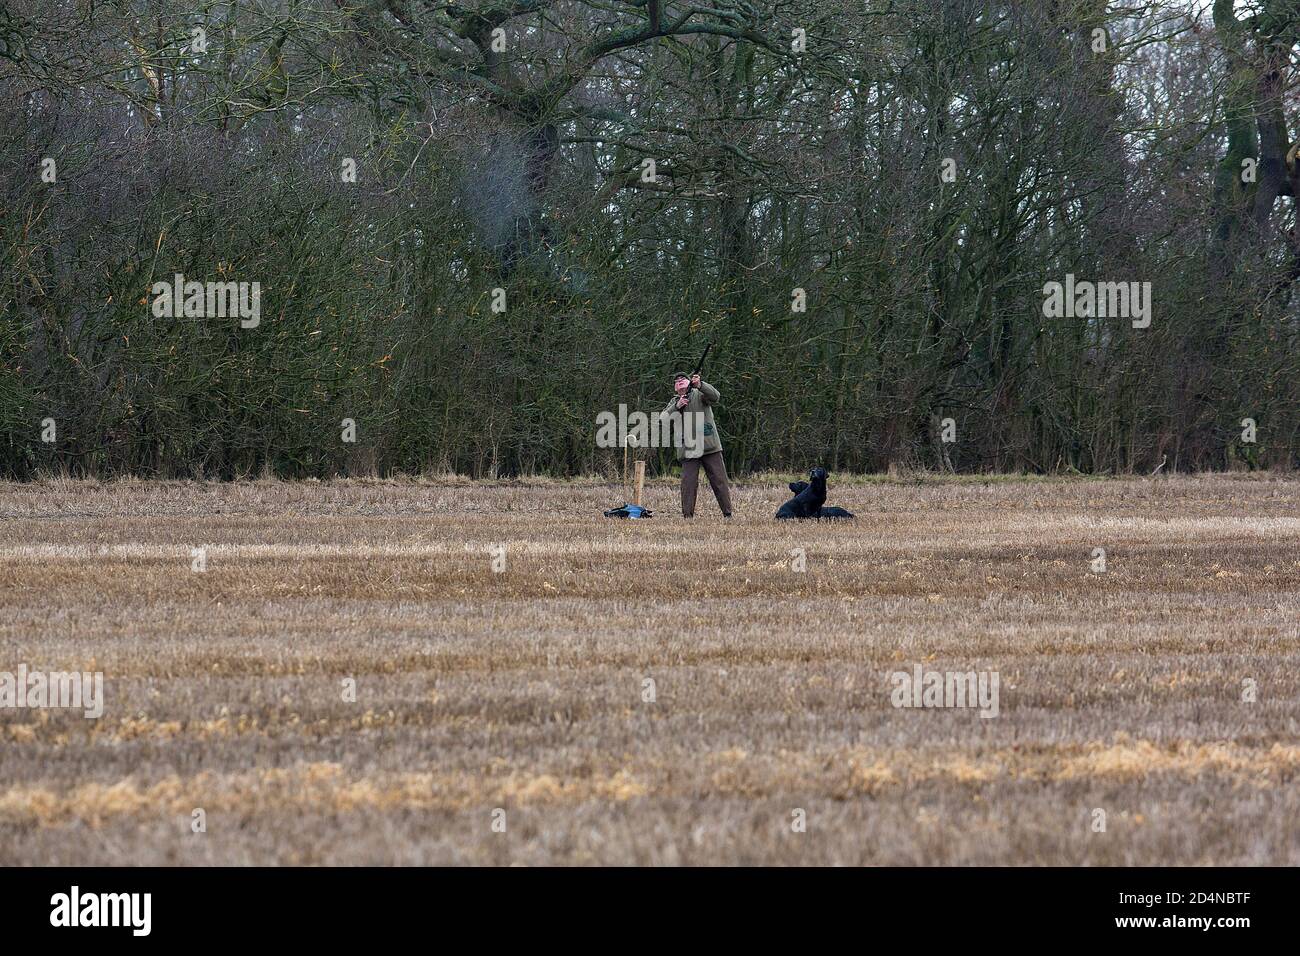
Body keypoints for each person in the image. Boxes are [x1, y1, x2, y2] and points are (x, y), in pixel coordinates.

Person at [661, 372, 733, 518]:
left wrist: (701, 385)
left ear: (689, 382)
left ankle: (728, 513)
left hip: (709, 445)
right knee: (688, 485)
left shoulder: (700, 394)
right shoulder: (674, 401)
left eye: (683, 379)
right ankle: (688, 516)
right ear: (675, 388)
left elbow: (715, 396)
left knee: (719, 481)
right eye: (677, 381)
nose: (680, 382)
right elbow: (663, 419)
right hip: (688, 449)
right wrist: (677, 406)